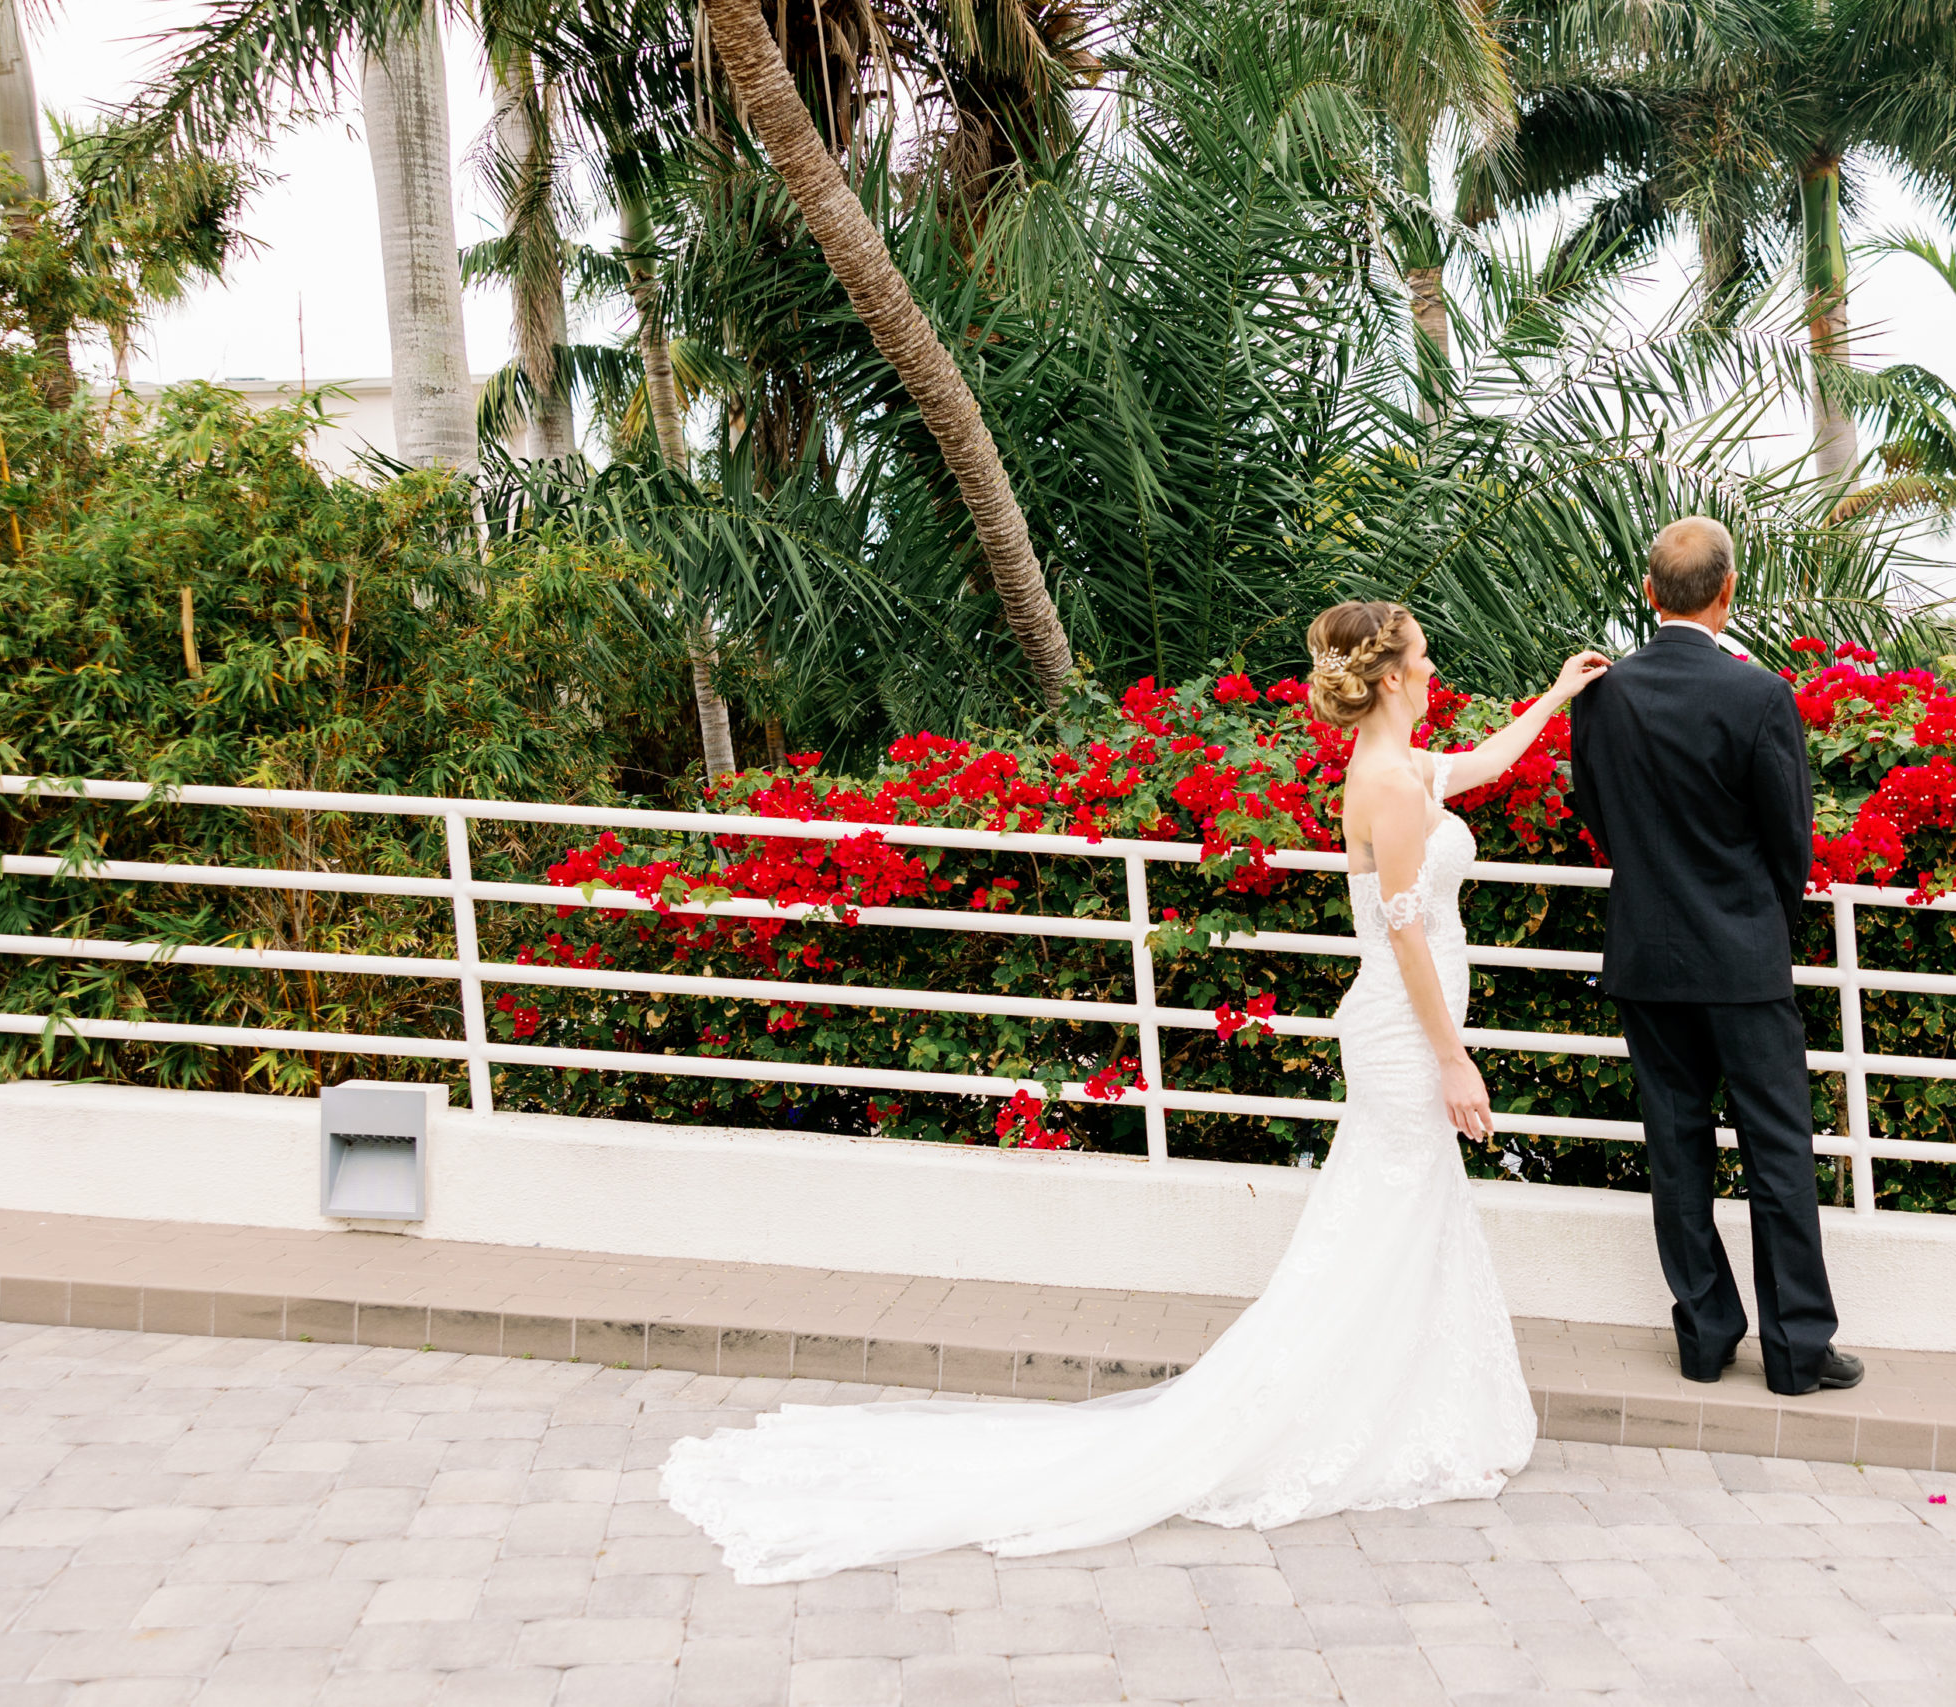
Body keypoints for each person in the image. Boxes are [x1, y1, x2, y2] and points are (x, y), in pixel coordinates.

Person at [660, 602, 1611, 1583]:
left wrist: (1554, 696)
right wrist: (1454, 1058)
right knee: (1387, 1215)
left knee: (1401, 1216)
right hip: (1408, 1032)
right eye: (1425, 652)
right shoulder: (1389, 787)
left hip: (1406, 1022)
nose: (1435, 663)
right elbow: (1408, 934)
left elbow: (1484, 766)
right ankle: (1336, 1413)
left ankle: (1400, 1404)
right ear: (1396, 674)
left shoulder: (1402, 769)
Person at [1566, 516, 1865, 1397]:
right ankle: (1795, 1350)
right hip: (1743, 959)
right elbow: (1791, 841)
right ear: (1728, 593)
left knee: (1677, 1147)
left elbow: (1600, 816)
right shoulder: (1760, 696)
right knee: (1778, 1152)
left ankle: (1705, 1337)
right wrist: (1758, 921)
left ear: (1651, 594)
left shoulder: (1601, 696)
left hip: (1646, 957)